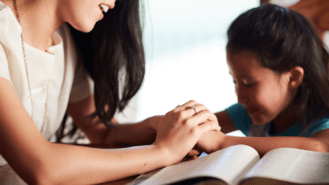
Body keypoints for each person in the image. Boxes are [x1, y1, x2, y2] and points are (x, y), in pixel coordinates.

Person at [0, 0, 220, 184]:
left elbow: (102, 131)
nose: (114, 4)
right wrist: (163, 151)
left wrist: (153, 128)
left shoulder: (65, 41)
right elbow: (42, 167)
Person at [196, 3, 329, 157]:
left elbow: (321, 148)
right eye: (235, 82)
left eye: (248, 83)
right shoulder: (249, 113)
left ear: (293, 78)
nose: (240, 98)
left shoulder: (325, 124)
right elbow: (197, 131)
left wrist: (221, 142)